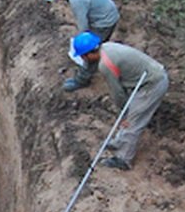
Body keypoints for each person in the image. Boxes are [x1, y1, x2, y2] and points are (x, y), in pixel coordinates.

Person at [68, 32, 169, 170]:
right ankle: (119, 142)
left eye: (82, 56)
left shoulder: (105, 64)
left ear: (88, 54)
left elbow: (117, 92)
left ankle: (123, 159)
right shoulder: (107, 47)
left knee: (132, 121)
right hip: (146, 77)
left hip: (152, 83)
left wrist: (124, 112)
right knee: (129, 115)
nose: (83, 60)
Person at [45, 0, 120, 90]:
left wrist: (82, 46)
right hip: (104, 16)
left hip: (104, 22)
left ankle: (82, 80)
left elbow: (83, 26)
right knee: (93, 47)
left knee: (89, 51)